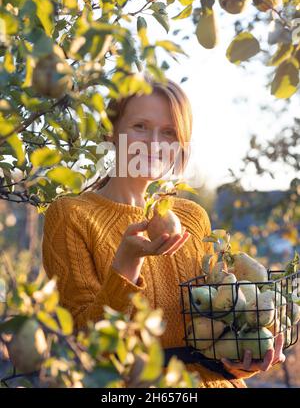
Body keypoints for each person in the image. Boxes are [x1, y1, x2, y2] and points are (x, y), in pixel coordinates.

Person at [42, 74, 285, 388]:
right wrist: (127, 263)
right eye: (140, 126)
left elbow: (212, 339)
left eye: (169, 132)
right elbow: (84, 346)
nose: (155, 144)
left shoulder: (192, 217)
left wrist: (241, 363)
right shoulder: (71, 216)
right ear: (110, 132)